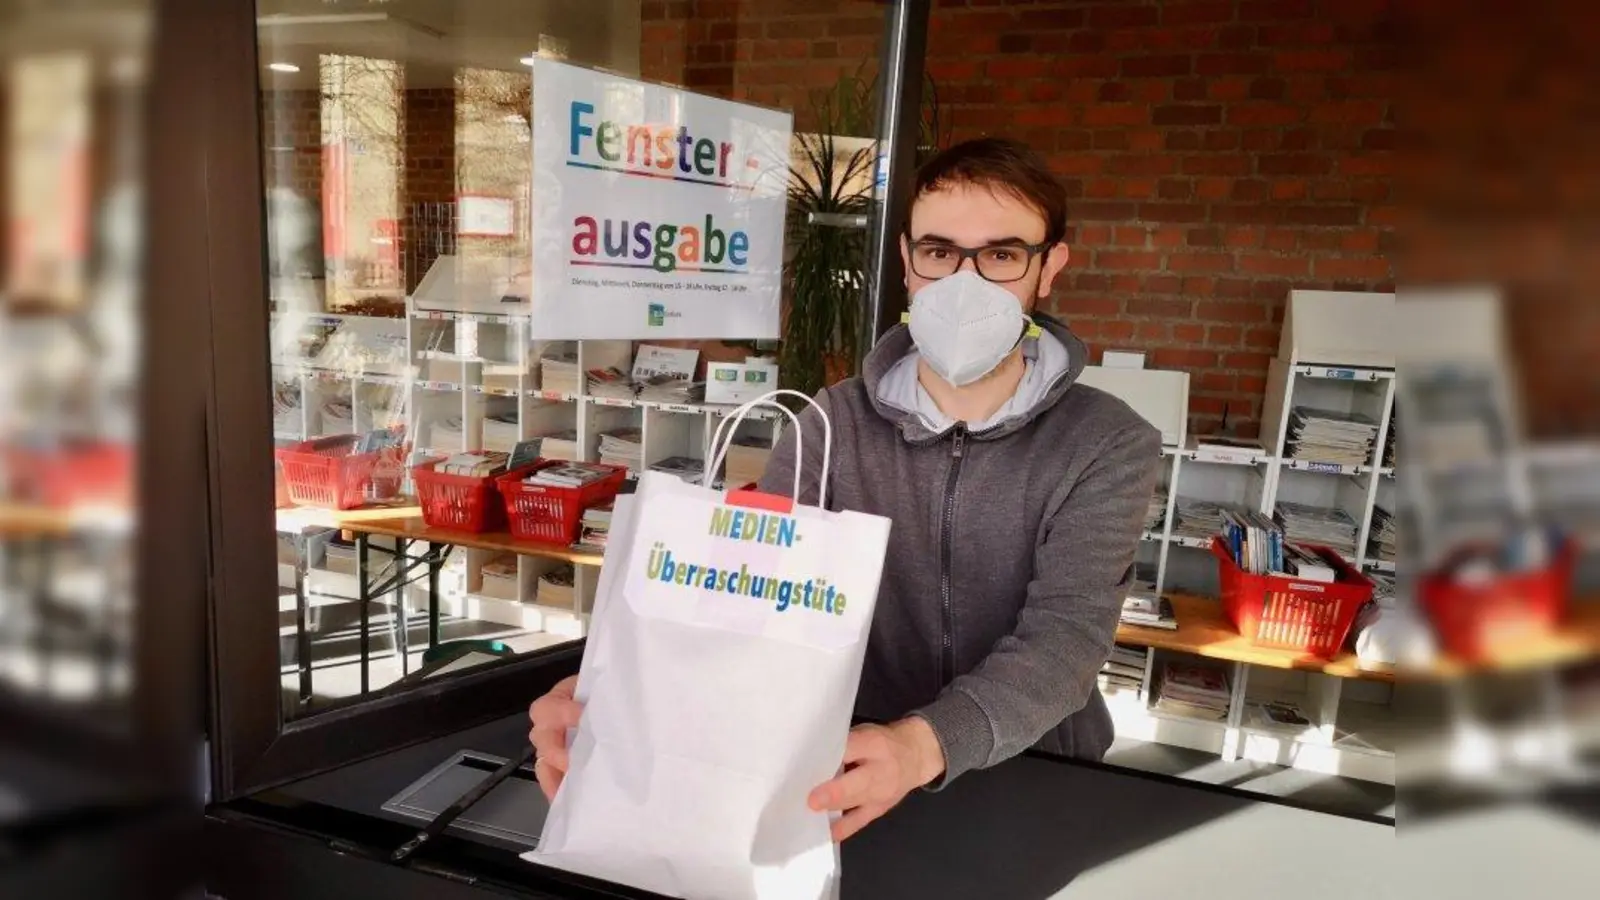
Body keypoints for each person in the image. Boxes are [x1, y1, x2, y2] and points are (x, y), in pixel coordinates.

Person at [529, 136, 1162, 842]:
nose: (964, 283)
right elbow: (742, 593)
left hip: (1037, 774)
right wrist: (621, 692)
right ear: (906, 259)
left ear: (1049, 269)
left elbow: (1065, 640)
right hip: (849, 767)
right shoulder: (829, 423)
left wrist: (924, 745)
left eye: (1002, 256)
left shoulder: (1106, 443)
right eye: (939, 252)